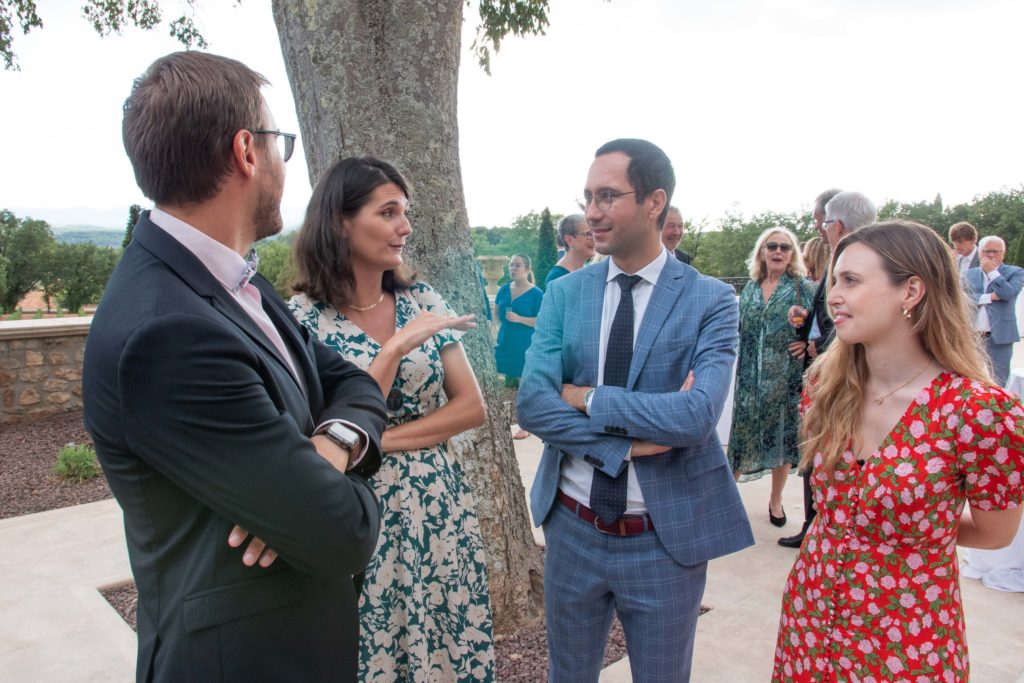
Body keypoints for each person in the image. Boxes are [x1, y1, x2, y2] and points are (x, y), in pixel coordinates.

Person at [82, 52, 387, 683]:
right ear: (247, 151)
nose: (284, 164)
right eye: (281, 144)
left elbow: (350, 380)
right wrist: (315, 497)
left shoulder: (231, 279)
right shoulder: (167, 332)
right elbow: (342, 533)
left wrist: (330, 445)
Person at [517, 138, 753, 682]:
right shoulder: (565, 294)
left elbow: (695, 417)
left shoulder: (712, 300)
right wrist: (618, 446)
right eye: (586, 197)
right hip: (571, 529)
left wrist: (587, 396)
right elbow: (532, 403)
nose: (592, 212)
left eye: (607, 196)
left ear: (654, 201)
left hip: (663, 540)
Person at [772, 220, 1024, 682]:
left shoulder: (980, 411)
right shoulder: (825, 388)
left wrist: (910, 530)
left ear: (911, 291)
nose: (833, 295)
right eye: (835, 281)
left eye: (851, 280)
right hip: (809, 621)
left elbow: (995, 533)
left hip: (906, 639)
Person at [287, 157, 495, 682]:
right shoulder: (302, 321)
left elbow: (470, 407)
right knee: (371, 649)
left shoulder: (422, 299)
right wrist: (394, 349)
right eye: (388, 212)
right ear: (340, 221)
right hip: (358, 511)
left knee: (447, 644)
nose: (405, 226)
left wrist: (375, 442)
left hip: (438, 508)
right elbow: (317, 430)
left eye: (406, 212)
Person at [779, 189, 876, 549]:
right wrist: (807, 324)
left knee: (833, 452)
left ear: (837, 224)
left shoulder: (864, 260)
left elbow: (857, 318)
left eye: (822, 221)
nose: (819, 228)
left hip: (844, 376)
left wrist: (821, 345)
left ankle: (822, 526)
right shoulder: (847, 255)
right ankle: (815, 525)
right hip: (826, 368)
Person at [727, 228, 816, 526]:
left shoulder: (802, 287)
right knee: (741, 435)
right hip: (749, 378)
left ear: (792, 254)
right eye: (772, 246)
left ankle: (775, 500)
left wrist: (807, 342)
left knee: (781, 437)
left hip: (784, 378)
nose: (778, 251)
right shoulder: (751, 288)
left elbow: (825, 325)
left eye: (785, 247)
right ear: (762, 252)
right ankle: (725, 498)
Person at [965, 235, 1024, 386]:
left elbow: (1008, 293)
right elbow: (962, 297)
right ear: (980, 253)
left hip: (1000, 336)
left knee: (999, 379)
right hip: (973, 336)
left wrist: (992, 272)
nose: (991, 255)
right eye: (987, 251)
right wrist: (989, 297)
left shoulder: (1015, 272)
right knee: (970, 378)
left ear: (1003, 253)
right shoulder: (969, 273)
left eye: (996, 251)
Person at [545, 214, 595, 286]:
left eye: (594, 233)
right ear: (569, 240)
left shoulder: (587, 271)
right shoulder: (557, 278)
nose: (594, 238)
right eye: (589, 234)